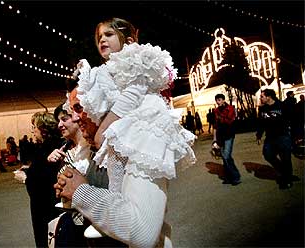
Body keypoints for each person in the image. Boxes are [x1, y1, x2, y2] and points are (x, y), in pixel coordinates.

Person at [55, 17, 196, 247]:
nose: (76, 117)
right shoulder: (101, 142)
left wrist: (81, 192)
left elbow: (141, 231)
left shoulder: (143, 131)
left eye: (82, 107)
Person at [22, 111, 63, 247]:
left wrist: (26, 177)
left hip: (47, 208)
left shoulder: (49, 149)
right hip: (46, 207)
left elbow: (44, 180)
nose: (32, 131)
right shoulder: (47, 147)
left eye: (34, 127)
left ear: (44, 129)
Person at [256, 89, 295, 189]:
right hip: (270, 137)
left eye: (262, 96)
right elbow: (261, 123)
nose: (261, 98)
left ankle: (287, 180)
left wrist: (294, 134)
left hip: (283, 136)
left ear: (269, 97)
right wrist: (259, 135)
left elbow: (291, 119)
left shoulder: (281, 106)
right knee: (268, 155)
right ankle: (285, 172)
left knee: (285, 158)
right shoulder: (262, 109)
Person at [212, 94, 241, 186]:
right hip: (220, 136)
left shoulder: (230, 108)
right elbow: (215, 126)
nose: (218, 102)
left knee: (226, 156)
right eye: (217, 100)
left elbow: (229, 120)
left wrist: (220, 117)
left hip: (229, 135)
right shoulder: (216, 110)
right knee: (224, 158)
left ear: (224, 100)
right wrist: (214, 139)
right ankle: (229, 177)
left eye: (219, 100)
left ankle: (236, 176)